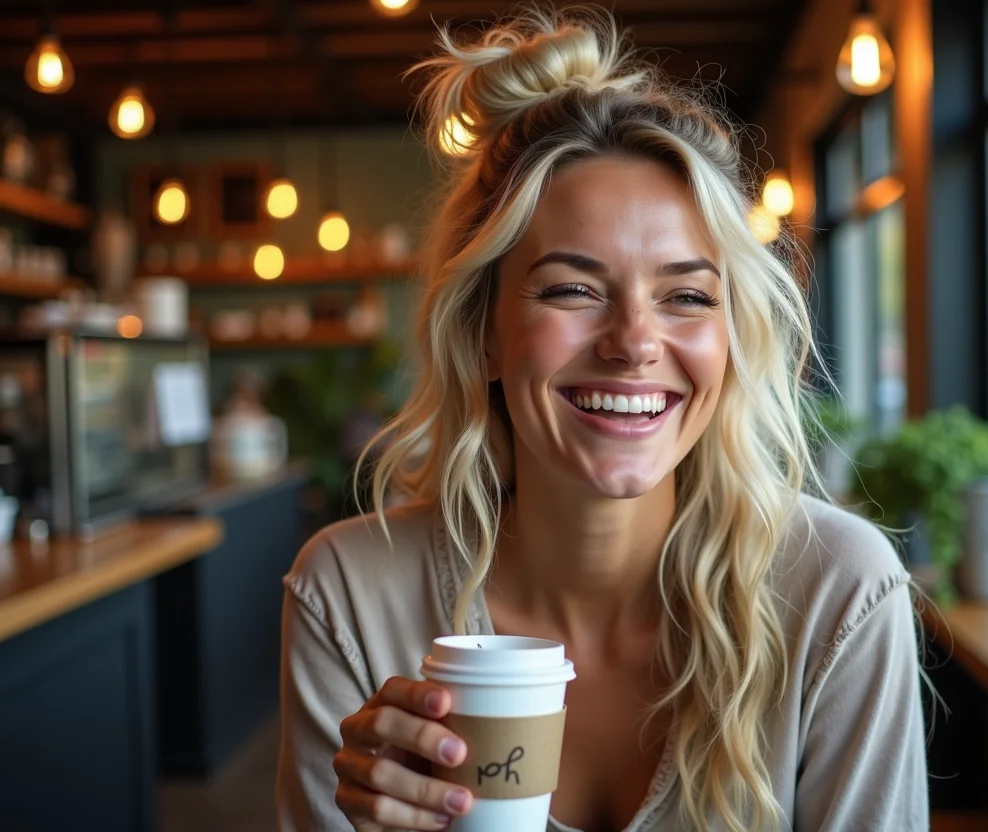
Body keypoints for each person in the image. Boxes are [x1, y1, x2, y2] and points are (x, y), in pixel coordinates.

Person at [276, 6, 928, 831]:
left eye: (687, 296)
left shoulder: (837, 594)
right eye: (573, 289)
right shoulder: (350, 594)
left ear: (732, 340)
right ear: (482, 333)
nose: (634, 343)